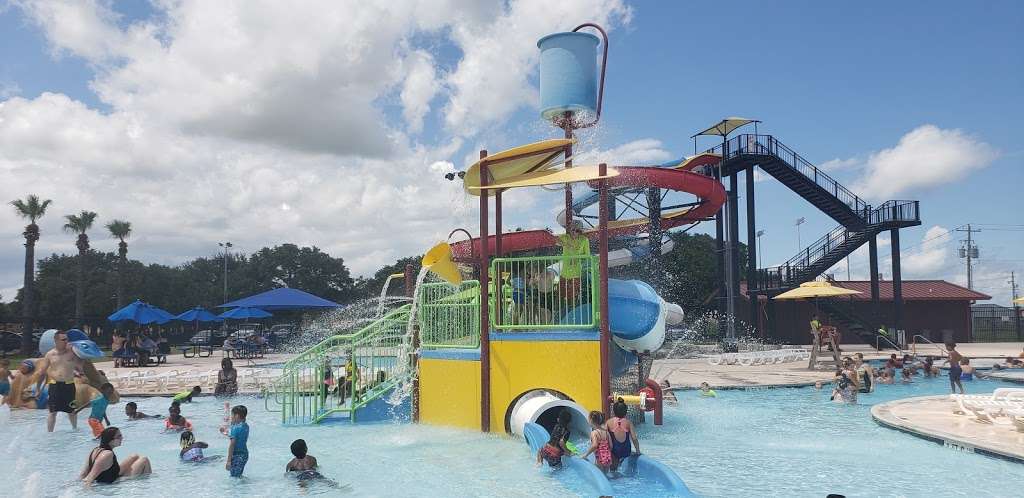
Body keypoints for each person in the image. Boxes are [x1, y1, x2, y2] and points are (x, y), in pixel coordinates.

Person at [33, 330, 117, 432]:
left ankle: (74, 430)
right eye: (63, 339)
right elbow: (42, 372)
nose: (66, 341)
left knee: (71, 410)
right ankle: (50, 433)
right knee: (52, 412)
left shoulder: (72, 352)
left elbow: (81, 363)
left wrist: (81, 364)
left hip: (69, 385)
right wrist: (38, 389)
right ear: (56, 341)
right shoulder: (50, 355)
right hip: (55, 386)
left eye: (67, 339)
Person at [79, 427, 151, 486]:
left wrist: (75, 483)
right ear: (110, 440)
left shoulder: (95, 450)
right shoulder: (107, 454)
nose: (122, 438)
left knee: (134, 456)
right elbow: (90, 477)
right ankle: (148, 486)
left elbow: (83, 473)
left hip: (111, 474)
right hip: (112, 483)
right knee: (144, 460)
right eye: (119, 436)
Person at [555, 221, 591, 309]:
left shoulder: (584, 240)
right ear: (570, 230)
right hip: (564, 273)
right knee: (559, 296)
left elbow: (587, 255)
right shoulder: (565, 237)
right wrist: (566, 244)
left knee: (573, 297)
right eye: (573, 230)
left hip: (576, 273)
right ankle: (558, 315)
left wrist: (577, 257)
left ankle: (572, 316)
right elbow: (556, 241)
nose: (574, 232)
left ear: (580, 231)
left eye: (577, 230)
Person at [606, 399, 641, 472]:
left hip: (614, 450)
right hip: (626, 450)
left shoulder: (609, 422)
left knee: (613, 469)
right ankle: (621, 462)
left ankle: (614, 470)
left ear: (613, 411)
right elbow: (634, 438)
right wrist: (638, 451)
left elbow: (604, 436)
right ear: (626, 412)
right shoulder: (628, 423)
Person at [226, 405, 250, 477]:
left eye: (232, 415)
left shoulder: (235, 428)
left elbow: (232, 444)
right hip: (244, 455)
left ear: (236, 416)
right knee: (238, 475)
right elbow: (238, 437)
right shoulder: (246, 426)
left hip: (237, 456)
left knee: (234, 477)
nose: (231, 417)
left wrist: (229, 461)